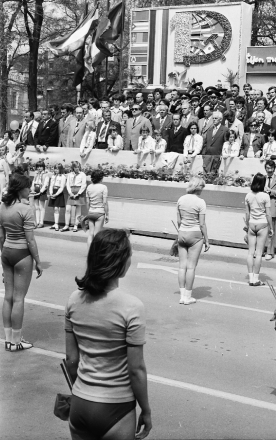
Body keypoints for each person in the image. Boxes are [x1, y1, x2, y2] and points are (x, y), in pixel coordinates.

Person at [65, 229, 152, 440]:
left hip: (79, 404)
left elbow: (71, 360)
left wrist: (85, 389)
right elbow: (136, 370)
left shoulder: (74, 300)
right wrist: (146, 410)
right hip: (116, 407)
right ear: (121, 261)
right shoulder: (132, 307)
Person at [0, 174, 43, 351]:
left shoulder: (2, 206)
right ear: (20, 189)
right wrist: (38, 262)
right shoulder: (26, 210)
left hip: (6, 253)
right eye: (28, 187)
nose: (30, 190)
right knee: (19, 299)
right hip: (22, 254)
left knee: (8, 297)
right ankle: (16, 342)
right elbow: (31, 241)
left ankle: (8, 340)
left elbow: (1, 236)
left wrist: (3, 255)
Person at [176, 177, 210, 305]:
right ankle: (188, 297)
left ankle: (182, 296)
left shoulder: (181, 199)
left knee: (182, 267)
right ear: (198, 187)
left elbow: (179, 221)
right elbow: (202, 224)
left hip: (182, 233)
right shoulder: (201, 202)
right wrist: (207, 240)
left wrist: (180, 232)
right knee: (191, 268)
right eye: (202, 187)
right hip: (195, 235)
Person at [244, 173, 273, 286]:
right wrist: (271, 227)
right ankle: (256, 278)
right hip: (262, 224)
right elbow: (268, 214)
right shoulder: (265, 196)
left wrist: (247, 225)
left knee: (250, 253)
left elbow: (247, 213)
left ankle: (251, 278)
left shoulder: (248, 196)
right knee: (259, 253)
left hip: (252, 223)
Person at [263, 160, 276, 260]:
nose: (269, 170)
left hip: (272, 206)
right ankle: (260, 250)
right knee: (261, 229)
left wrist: (270, 191)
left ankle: (270, 252)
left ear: (274, 169)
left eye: (271, 168)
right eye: (267, 168)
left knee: (271, 230)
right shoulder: (262, 178)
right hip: (261, 206)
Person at [85, 169, 109, 250]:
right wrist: (107, 214)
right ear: (101, 178)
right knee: (97, 234)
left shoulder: (89, 187)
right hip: (100, 213)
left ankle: (89, 252)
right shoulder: (103, 187)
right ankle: (96, 253)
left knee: (90, 234)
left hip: (91, 212)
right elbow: (105, 203)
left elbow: (87, 202)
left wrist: (88, 213)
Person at [63, 161, 87, 233]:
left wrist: (78, 193)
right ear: (73, 167)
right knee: (68, 209)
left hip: (79, 192)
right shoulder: (70, 174)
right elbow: (67, 184)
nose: (77, 168)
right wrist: (70, 193)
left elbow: (84, 185)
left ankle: (76, 225)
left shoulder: (82, 174)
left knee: (78, 210)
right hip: (71, 192)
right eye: (76, 167)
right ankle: (67, 225)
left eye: (78, 167)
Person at [30, 161, 50, 228]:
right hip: (36, 192)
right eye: (38, 167)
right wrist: (32, 190)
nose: (39, 168)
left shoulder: (46, 175)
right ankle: (37, 222)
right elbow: (33, 182)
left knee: (42, 207)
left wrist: (41, 191)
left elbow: (46, 184)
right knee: (36, 207)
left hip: (42, 192)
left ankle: (41, 222)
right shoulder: (36, 174)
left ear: (43, 167)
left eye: (41, 166)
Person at [47, 164, 67, 231]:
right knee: (54, 208)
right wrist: (51, 193)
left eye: (57, 169)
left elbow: (62, 187)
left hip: (58, 193)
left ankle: (57, 224)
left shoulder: (63, 177)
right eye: (55, 168)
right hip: (53, 192)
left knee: (56, 208)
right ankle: (55, 223)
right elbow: (51, 185)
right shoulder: (53, 176)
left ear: (60, 169)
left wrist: (56, 194)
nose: (56, 170)